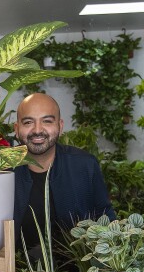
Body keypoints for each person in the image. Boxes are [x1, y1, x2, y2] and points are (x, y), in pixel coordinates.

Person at [13, 93, 115, 255]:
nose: (38, 130)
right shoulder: (0, 171)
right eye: (28, 122)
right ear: (17, 129)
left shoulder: (84, 166)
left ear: (60, 126)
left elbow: (105, 217)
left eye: (47, 121)